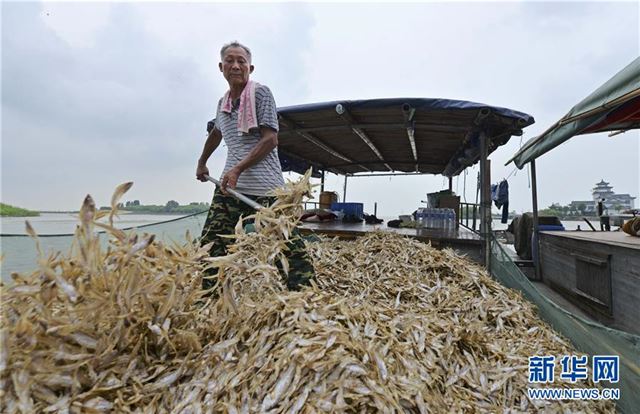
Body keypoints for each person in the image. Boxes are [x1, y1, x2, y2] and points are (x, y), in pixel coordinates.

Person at [196, 41, 314, 291]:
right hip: (230, 187)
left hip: (266, 188)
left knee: (286, 242)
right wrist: (202, 162)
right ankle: (209, 294)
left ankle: (303, 292)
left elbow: (271, 139)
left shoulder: (260, 94)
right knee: (211, 242)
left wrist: (238, 169)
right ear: (221, 67)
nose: (236, 66)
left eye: (241, 61)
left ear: (251, 67)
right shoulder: (223, 103)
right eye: (230, 61)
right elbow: (217, 133)